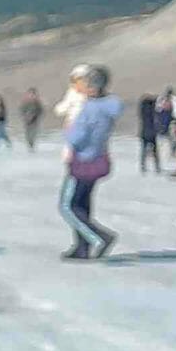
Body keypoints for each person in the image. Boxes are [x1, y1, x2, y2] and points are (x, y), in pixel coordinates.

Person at [60, 65, 122, 260]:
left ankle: (99, 237)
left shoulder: (91, 109)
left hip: (82, 161)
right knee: (83, 204)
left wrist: (69, 132)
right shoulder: (108, 107)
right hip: (98, 159)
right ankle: (82, 247)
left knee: (68, 206)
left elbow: (77, 137)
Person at [138, 94, 161, 174]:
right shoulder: (152, 110)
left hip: (144, 131)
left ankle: (143, 166)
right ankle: (157, 166)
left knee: (143, 150)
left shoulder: (143, 110)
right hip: (152, 132)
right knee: (155, 151)